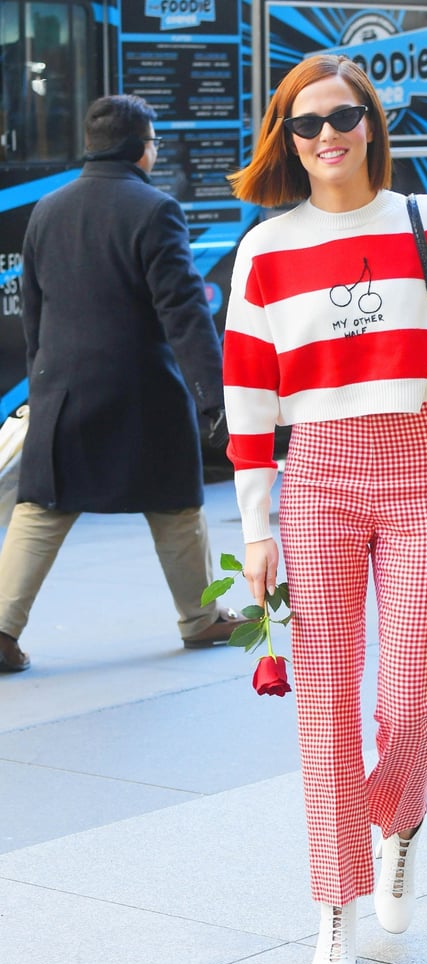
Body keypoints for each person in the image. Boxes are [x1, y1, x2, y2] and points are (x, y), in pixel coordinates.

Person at [223, 55, 427, 964]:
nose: (326, 137)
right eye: (306, 124)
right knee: (322, 700)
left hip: (425, 462)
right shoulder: (265, 248)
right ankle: (333, 905)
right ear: (287, 137)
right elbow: (247, 394)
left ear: (371, 123)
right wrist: (256, 523)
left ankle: (400, 820)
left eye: (344, 117)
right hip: (317, 475)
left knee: (418, 672)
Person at [0, 94, 245, 675]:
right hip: (144, 396)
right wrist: (214, 397)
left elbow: (32, 311)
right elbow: (183, 312)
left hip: (60, 389)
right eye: (154, 142)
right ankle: (200, 617)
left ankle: (2, 629)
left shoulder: (46, 210)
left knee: (40, 509)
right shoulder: (155, 209)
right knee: (177, 506)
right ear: (141, 148)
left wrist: (42, 379)